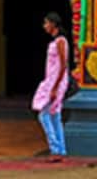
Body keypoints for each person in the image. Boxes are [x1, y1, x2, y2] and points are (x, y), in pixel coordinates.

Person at [32, 12, 69, 160]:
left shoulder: (60, 41)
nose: (45, 26)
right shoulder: (56, 41)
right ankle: (61, 149)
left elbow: (63, 64)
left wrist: (55, 86)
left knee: (44, 114)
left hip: (56, 82)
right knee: (55, 115)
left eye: (46, 23)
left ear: (53, 24)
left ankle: (55, 148)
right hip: (52, 80)